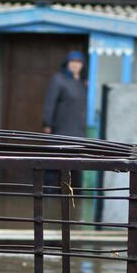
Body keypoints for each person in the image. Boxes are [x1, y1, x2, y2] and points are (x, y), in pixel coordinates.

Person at [41, 50, 87, 207]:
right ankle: (48, 204)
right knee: (54, 166)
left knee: (75, 169)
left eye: (79, 62)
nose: (75, 64)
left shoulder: (82, 83)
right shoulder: (58, 80)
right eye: (72, 61)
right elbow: (49, 103)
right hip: (60, 130)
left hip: (78, 133)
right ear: (67, 63)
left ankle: (71, 206)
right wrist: (47, 123)